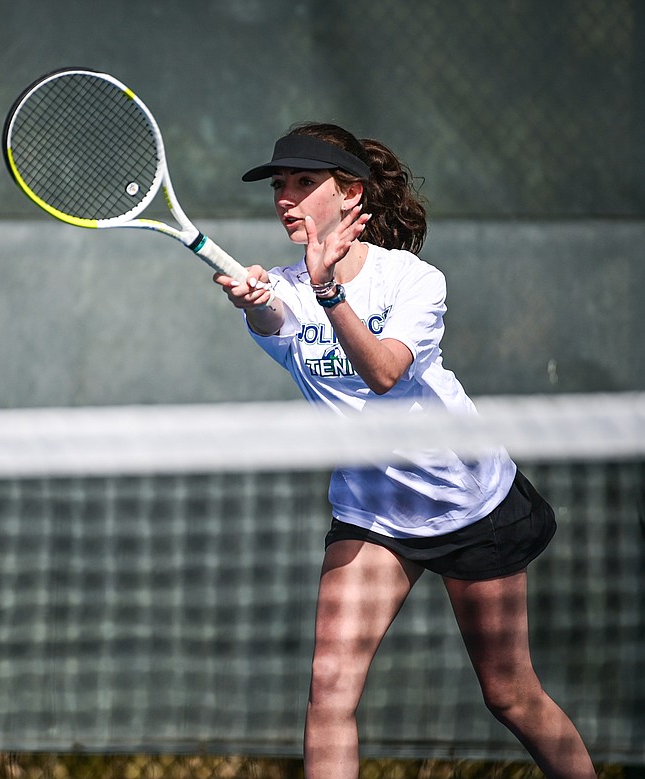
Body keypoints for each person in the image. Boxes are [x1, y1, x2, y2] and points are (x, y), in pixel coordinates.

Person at [214, 122, 596, 778]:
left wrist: (331, 294)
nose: (286, 197)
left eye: (304, 182)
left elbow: (386, 373)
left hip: (470, 501)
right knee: (328, 688)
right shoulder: (283, 285)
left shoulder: (414, 281)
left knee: (510, 693)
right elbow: (272, 315)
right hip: (373, 513)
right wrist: (254, 303)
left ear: (351, 192)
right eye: (280, 185)